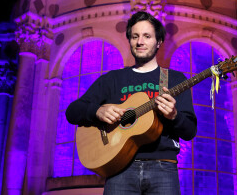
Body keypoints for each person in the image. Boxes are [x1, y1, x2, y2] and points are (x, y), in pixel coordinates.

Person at [66, 11, 197, 194]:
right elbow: (72, 111)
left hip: (163, 169)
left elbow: (190, 131)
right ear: (129, 41)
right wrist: (97, 111)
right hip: (119, 168)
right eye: (135, 36)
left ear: (158, 42)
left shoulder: (174, 79)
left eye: (147, 36)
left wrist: (174, 116)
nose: (140, 42)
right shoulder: (113, 79)